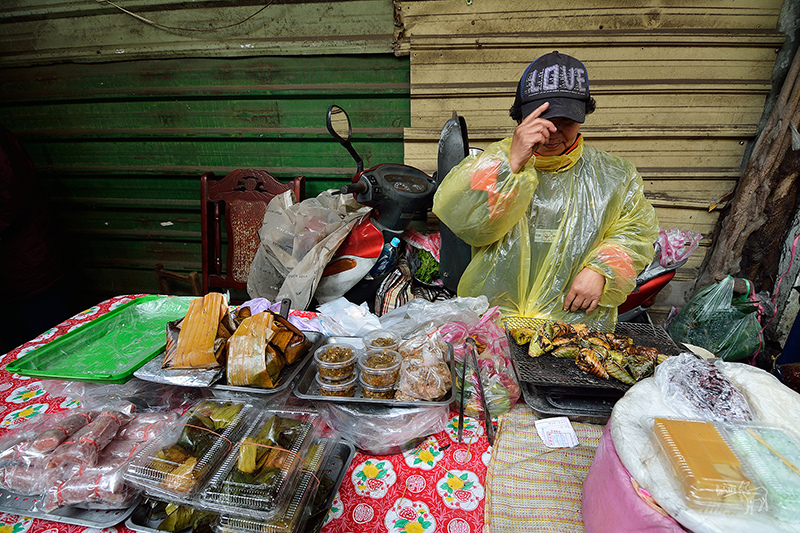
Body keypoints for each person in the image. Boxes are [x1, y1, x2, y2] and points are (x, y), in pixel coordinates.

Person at [432, 51, 659, 330]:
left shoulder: (615, 176)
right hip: (493, 321)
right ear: (522, 118)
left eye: (566, 121)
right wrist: (511, 164)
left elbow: (636, 234)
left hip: (575, 328)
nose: (553, 132)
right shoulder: (494, 163)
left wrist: (602, 269)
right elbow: (466, 225)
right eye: (543, 120)